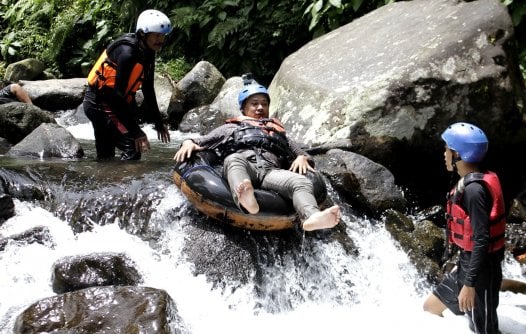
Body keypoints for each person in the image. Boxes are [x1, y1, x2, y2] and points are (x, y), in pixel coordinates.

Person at [173, 78, 341, 231]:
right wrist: (187, 142)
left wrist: (302, 158)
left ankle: (311, 217)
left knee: (299, 181)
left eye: (264, 104)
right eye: (254, 104)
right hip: (244, 166)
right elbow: (200, 141)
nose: (260, 107)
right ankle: (245, 199)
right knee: (233, 159)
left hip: (270, 172)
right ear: (244, 108)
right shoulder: (231, 128)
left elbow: (302, 154)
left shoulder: (279, 134)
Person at [422, 122, 505, 334]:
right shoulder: (468, 183)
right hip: (467, 265)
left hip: (480, 272)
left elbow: (481, 239)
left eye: (447, 149)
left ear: (458, 153)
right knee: (431, 307)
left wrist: (469, 284)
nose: (444, 154)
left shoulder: (475, 191)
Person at [83, 9, 171, 161]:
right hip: (99, 104)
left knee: (106, 157)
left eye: (163, 35)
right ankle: (128, 183)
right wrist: (137, 132)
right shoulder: (127, 53)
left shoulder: (148, 52)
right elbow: (117, 96)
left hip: (113, 104)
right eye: (156, 35)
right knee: (132, 146)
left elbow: (148, 89)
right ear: (143, 34)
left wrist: (158, 122)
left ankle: (104, 181)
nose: (160, 40)